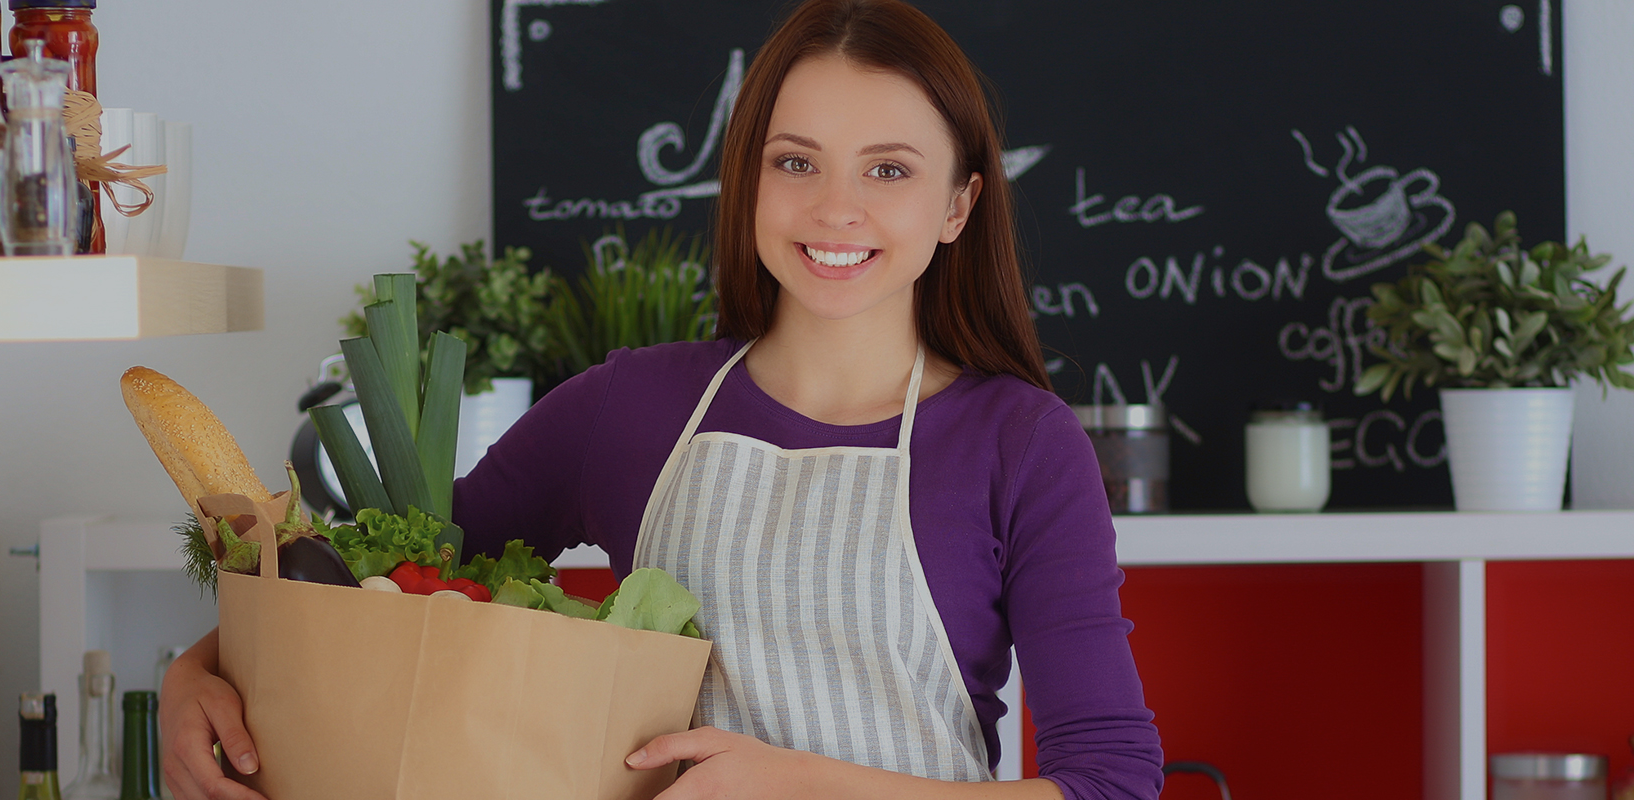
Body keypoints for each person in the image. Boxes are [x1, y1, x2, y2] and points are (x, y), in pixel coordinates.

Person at [160, 1, 1163, 798]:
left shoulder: (1020, 444)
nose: (834, 207)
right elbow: (373, 589)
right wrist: (194, 672)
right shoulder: (627, 408)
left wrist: (802, 785)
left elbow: (1110, 780)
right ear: (748, 181)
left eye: (889, 168)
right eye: (794, 161)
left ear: (958, 204)